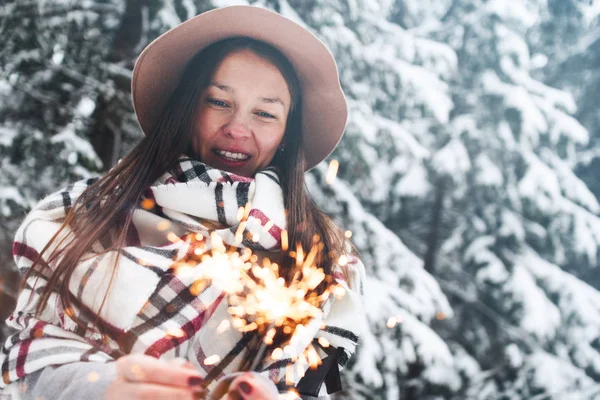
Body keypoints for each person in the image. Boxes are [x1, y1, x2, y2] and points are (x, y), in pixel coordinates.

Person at [0, 5, 366, 400]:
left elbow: (317, 383)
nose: (238, 129)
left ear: (287, 133)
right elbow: (30, 358)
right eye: (218, 102)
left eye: (264, 113)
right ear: (186, 106)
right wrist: (99, 389)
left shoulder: (319, 253)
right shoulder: (88, 211)